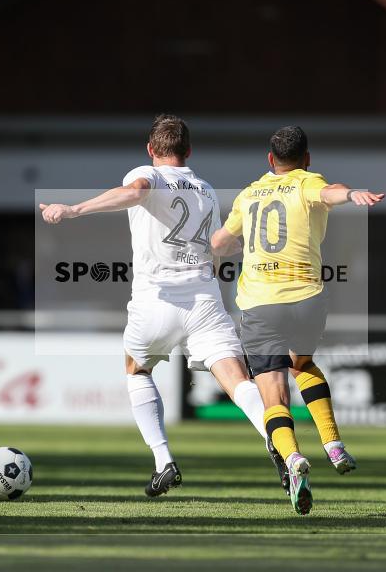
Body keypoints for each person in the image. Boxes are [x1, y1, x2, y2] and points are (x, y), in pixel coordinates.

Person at [39, 114, 274, 498]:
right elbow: (216, 250)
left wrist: (73, 210)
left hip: (156, 300)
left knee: (136, 368)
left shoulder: (148, 173)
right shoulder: (207, 190)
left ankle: (164, 460)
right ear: (189, 151)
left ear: (151, 150)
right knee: (237, 379)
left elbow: (136, 189)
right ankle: (278, 441)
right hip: (204, 299)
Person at [211, 125, 384, 515]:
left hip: (259, 303)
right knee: (302, 364)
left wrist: (211, 249)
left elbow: (220, 243)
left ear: (270, 160)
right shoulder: (306, 183)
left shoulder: (249, 193)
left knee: (273, 393)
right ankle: (333, 444)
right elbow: (329, 192)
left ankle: (292, 460)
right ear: (307, 159)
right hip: (306, 299)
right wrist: (352, 194)